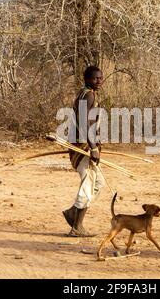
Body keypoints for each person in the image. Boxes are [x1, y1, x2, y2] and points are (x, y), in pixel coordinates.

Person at [62, 66, 105, 237]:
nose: (99, 81)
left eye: (101, 78)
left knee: (98, 183)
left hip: (83, 144)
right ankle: (77, 227)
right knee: (89, 183)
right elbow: (84, 123)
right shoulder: (87, 95)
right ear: (87, 79)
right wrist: (93, 147)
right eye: (95, 79)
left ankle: (73, 212)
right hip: (82, 147)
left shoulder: (85, 94)